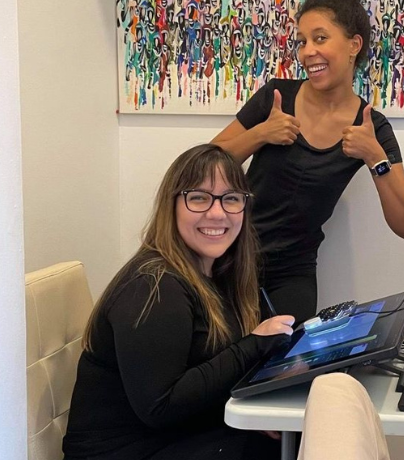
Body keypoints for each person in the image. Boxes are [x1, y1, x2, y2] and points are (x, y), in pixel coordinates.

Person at [212, 0, 404, 324]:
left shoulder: (371, 125)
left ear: (353, 45)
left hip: (293, 273)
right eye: (302, 41)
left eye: (320, 38)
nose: (308, 52)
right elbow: (205, 165)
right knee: (223, 360)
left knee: (284, 368)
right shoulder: (276, 97)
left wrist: (374, 157)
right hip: (230, 256)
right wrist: (262, 133)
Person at [63, 144, 294, 460]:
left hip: (178, 435)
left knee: (292, 434)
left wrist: (254, 406)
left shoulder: (218, 272)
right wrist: (255, 345)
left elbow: (205, 374)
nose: (217, 213)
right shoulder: (153, 286)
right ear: (171, 206)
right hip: (128, 451)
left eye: (231, 199)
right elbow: (160, 407)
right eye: (198, 197)